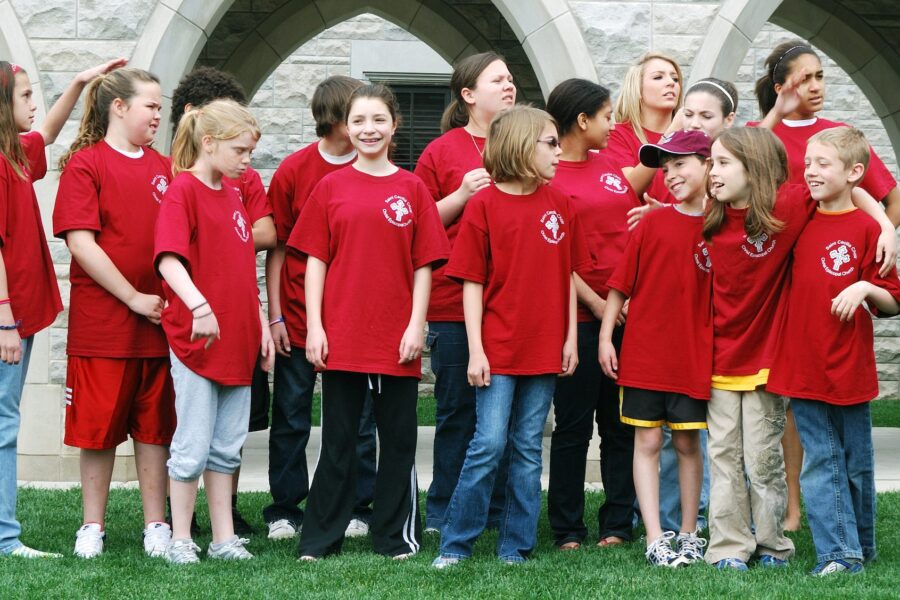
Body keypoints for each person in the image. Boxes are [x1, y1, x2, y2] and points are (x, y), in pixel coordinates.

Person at [701, 127, 895, 571]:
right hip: (752, 363)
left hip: (799, 363)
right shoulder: (718, 216)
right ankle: (741, 549)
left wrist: (886, 226)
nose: (810, 172)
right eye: (806, 164)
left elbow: (853, 191)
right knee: (742, 458)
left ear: (755, 171)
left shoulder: (792, 209)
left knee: (791, 461)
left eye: (725, 162)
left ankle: (798, 546)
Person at [293, 84, 449, 560]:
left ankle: (394, 537)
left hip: (394, 337)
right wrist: (316, 327)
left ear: (394, 125)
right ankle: (321, 539)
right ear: (346, 127)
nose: (368, 129)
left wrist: (415, 326)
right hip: (341, 334)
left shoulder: (412, 188)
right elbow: (315, 262)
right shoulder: (330, 188)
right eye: (359, 121)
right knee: (337, 441)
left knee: (398, 440)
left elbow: (424, 264)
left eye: (378, 120)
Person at [752, 39, 900, 531]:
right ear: (781, 85)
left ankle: (818, 517)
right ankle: (797, 507)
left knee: (826, 418)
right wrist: (777, 113)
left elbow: (873, 190)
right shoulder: (771, 136)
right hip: (791, 296)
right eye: (805, 77)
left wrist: (881, 233)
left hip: (836, 291)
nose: (816, 86)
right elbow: (747, 159)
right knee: (799, 406)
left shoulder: (837, 137)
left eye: (821, 76)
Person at [432, 105, 588, 568]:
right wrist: (477, 351)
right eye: (550, 143)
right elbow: (472, 285)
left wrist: (570, 340)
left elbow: (566, 276)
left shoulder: (561, 204)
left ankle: (515, 547)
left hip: (545, 349)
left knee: (526, 447)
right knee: (488, 444)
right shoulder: (483, 205)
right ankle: (456, 543)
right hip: (497, 350)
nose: (559, 153)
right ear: (522, 146)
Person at [0, 57, 123, 559]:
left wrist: (77, 83)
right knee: (4, 424)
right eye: (26, 96)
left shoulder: (13, 153)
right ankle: (5, 538)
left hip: (19, 314)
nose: (34, 105)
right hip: (7, 317)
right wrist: (5, 318)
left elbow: (45, 135)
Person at [54, 67, 175, 559]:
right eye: (150, 105)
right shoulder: (86, 165)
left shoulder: (166, 168)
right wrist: (132, 298)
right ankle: (92, 526)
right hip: (104, 328)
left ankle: (157, 525)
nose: (158, 114)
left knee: (155, 429)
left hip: (161, 325)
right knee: (97, 431)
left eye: (160, 106)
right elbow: (82, 243)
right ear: (119, 107)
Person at [767, 127, 900, 575]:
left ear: (853, 172)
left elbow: (893, 299)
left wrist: (864, 284)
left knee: (857, 466)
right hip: (802, 364)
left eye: (823, 164)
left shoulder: (867, 229)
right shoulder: (800, 217)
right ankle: (838, 555)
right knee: (821, 461)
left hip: (850, 368)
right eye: (809, 163)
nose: (811, 171)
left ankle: (862, 545)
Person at [155, 99, 274, 564]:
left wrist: (262, 324)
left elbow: (245, 270)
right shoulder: (182, 191)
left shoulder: (235, 192)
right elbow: (168, 258)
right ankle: (181, 539)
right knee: (192, 446)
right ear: (209, 143)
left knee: (227, 448)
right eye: (241, 150)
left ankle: (224, 538)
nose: (247, 161)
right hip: (197, 342)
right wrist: (199, 305)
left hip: (240, 341)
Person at [264, 74, 377, 541]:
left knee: (358, 417)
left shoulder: (375, 167)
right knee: (290, 413)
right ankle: (286, 508)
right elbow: (278, 248)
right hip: (295, 314)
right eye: (356, 115)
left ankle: (357, 504)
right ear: (335, 119)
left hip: (353, 319)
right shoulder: (294, 170)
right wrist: (275, 316)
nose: (366, 125)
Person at [600, 130, 713, 568]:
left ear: (708, 164)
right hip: (645, 354)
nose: (672, 175)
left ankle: (688, 533)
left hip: (692, 355)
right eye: (665, 170)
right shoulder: (650, 222)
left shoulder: (720, 224)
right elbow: (620, 285)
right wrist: (608, 337)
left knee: (687, 445)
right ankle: (654, 537)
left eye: (681, 164)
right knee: (646, 440)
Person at [414, 52, 516, 533]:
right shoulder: (443, 151)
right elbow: (415, 225)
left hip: (513, 304)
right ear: (468, 94)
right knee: (458, 412)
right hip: (454, 304)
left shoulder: (525, 142)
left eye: (511, 79)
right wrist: (461, 194)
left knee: (507, 419)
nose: (509, 85)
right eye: (498, 80)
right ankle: (444, 511)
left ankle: (496, 512)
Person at [544, 78, 639, 550]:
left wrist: (625, 299)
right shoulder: (548, 173)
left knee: (620, 426)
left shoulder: (614, 166)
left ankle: (618, 523)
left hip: (626, 318)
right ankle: (566, 528)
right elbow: (556, 256)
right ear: (582, 121)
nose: (612, 124)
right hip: (577, 322)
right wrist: (598, 303)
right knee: (574, 427)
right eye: (605, 116)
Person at [653, 78, 739, 534]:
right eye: (689, 113)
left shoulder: (730, 203)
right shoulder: (674, 182)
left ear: (727, 124)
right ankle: (670, 521)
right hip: (674, 337)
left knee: (716, 436)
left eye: (706, 116)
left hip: (723, 337)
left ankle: (711, 518)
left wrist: (884, 226)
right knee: (671, 435)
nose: (694, 121)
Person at [603, 52, 684, 204]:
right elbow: (629, 188)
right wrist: (671, 134)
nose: (671, 83)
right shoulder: (616, 134)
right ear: (637, 89)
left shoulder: (691, 135)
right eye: (658, 77)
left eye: (675, 78)